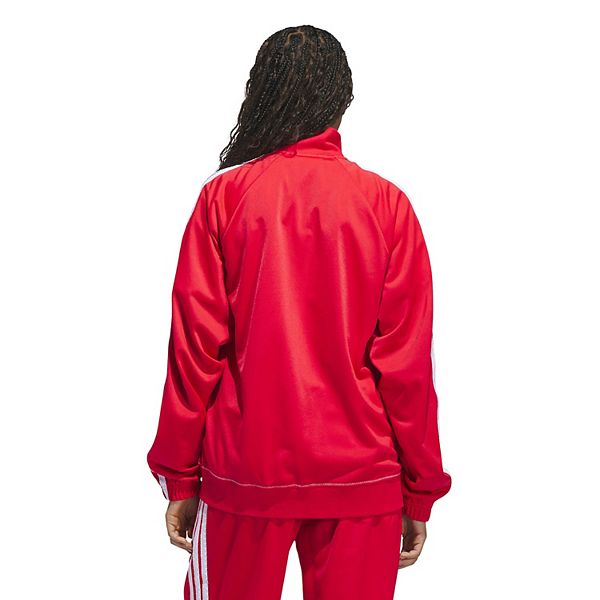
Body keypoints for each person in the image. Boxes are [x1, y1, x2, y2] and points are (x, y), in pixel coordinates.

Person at [147, 24, 452, 600]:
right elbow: (407, 368)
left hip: (246, 472)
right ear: (342, 100)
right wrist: (420, 487)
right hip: (363, 477)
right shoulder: (387, 206)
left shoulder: (225, 199)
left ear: (261, 93)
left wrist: (179, 475)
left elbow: (193, 352)